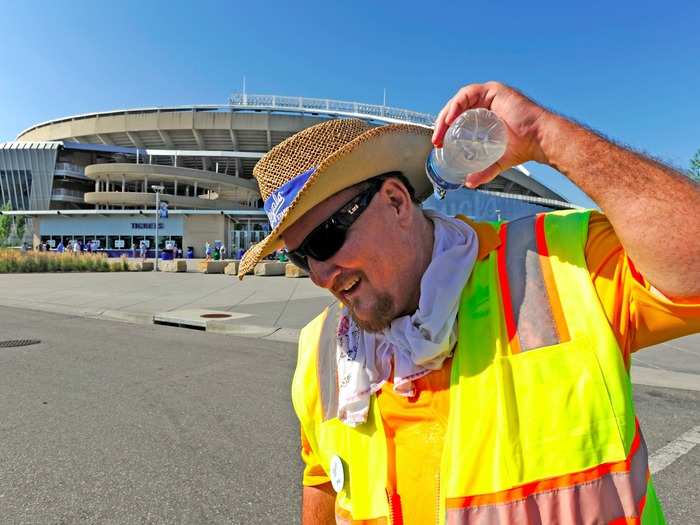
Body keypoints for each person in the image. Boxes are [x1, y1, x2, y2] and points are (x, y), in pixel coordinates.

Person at [236, 82, 700, 525]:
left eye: (325, 239)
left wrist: (547, 137)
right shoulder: (321, 349)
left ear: (397, 202)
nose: (317, 275)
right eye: (299, 255)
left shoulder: (561, 264)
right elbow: (323, 480)